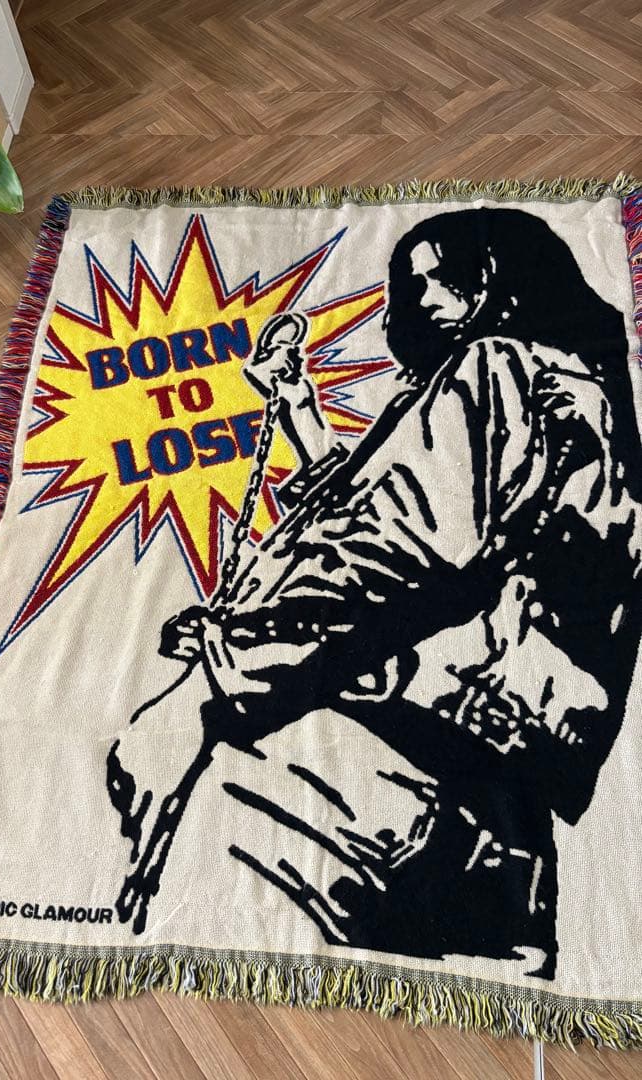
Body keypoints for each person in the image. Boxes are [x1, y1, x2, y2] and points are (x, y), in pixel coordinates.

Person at [108, 209, 642, 977]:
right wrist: (298, 408)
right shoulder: (570, 389)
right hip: (495, 800)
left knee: (158, 763)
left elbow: (401, 548)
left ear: (499, 279)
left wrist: (240, 651)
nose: (423, 298)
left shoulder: (495, 367)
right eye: (411, 283)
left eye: (445, 276)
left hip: (405, 762)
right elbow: (405, 509)